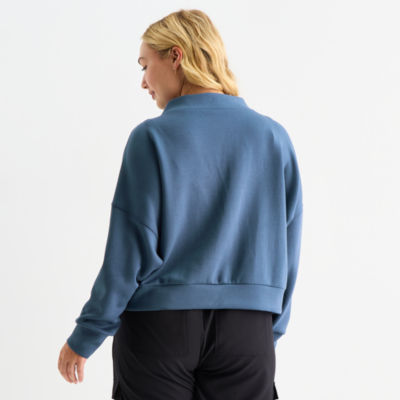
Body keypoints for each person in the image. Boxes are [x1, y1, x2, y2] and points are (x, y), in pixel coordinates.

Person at [57, 8, 303, 400]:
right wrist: (266, 328)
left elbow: (128, 252)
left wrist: (86, 334)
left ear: (176, 56)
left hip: (159, 328)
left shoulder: (151, 138)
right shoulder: (273, 137)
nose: (143, 82)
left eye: (145, 65)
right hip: (248, 329)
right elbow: (288, 245)